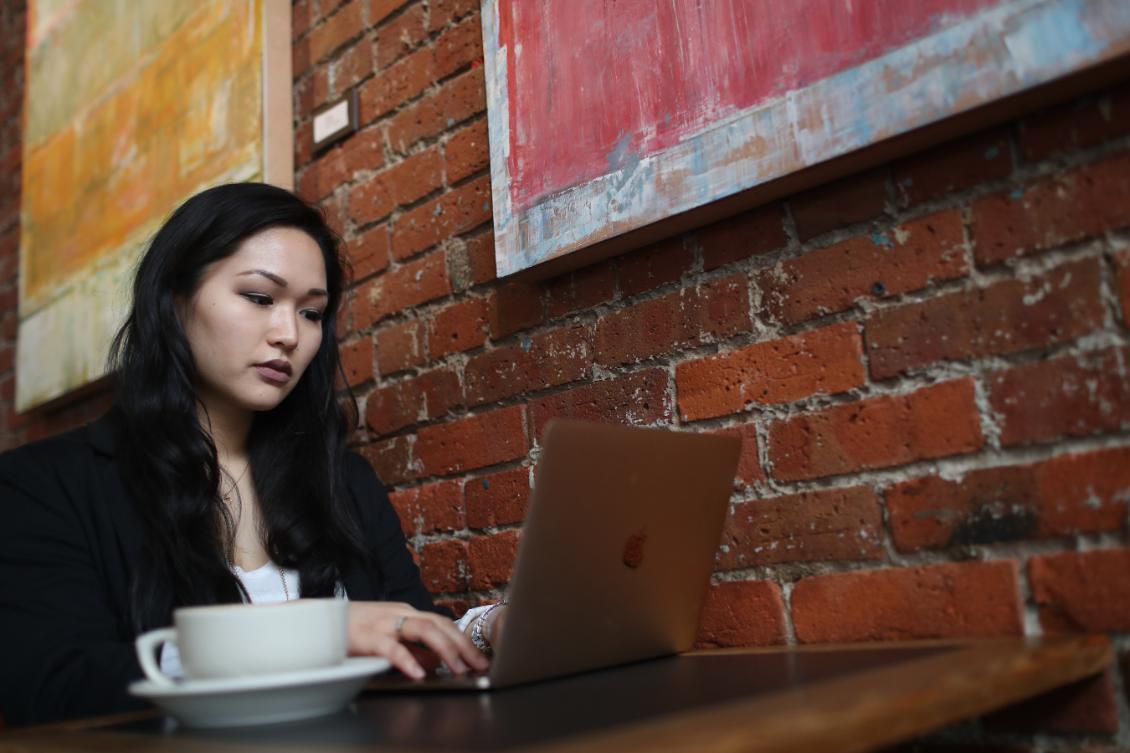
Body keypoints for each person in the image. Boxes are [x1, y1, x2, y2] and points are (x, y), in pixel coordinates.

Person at [0, 183, 505, 727]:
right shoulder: (40, 485)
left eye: (312, 313)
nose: (289, 334)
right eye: (260, 298)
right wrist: (315, 635)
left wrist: (490, 628)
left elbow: (409, 627)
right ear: (174, 299)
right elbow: (49, 682)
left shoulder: (343, 480)